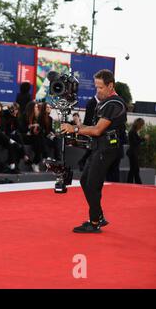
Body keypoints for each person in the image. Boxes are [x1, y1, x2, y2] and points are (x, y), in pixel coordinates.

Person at [61, 69, 127, 233]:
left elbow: (97, 130)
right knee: (85, 181)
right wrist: (72, 127)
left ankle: (95, 221)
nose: (97, 91)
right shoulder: (104, 102)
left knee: (92, 184)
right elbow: (90, 127)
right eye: (96, 87)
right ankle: (98, 217)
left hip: (107, 149)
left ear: (110, 85)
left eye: (100, 87)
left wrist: (74, 128)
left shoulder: (115, 103)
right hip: (99, 147)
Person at [19, 101, 44, 172]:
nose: (37, 108)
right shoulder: (24, 116)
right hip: (25, 136)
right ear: (31, 108)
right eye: (35, 107)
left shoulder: (37, 117)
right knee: (39, 140)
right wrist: (30, 127)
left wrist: (37, 127)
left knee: (40, 139)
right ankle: (36, 162)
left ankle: (36, 162)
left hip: (33, 136)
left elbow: (41, 128)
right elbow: (21, 128)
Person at [126, 118, 149, 184]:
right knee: (134, 169)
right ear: (139, 125)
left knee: (134, 170)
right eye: (142, 125)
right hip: (132, 153)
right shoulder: (132, 132)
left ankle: (132, 183)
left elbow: (137, 141)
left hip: (133, 153)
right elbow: (135, 142)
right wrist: (144, 138)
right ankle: (137, 183)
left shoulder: (134, 132)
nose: (142, 127)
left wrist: (143, 139)